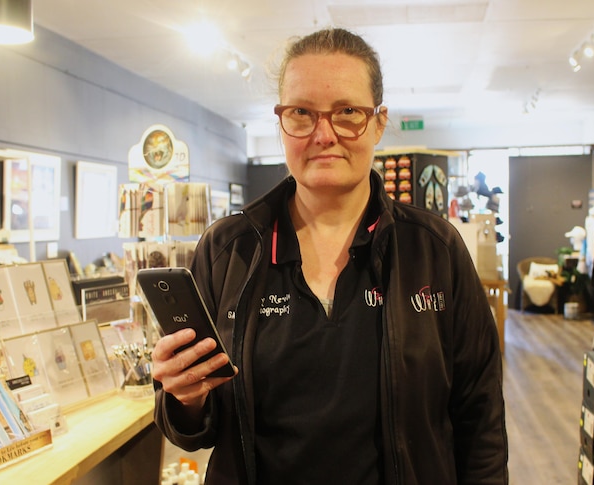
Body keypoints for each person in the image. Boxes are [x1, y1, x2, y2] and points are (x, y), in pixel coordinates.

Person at [151, 27, 508, 484]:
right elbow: (196, 429)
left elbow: (480, 420)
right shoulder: (228, 249)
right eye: (302, 112)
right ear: (281, 121)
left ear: (378, 122)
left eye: (347, 113)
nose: (324, 134)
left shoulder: (434, 249)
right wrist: (184, 397)